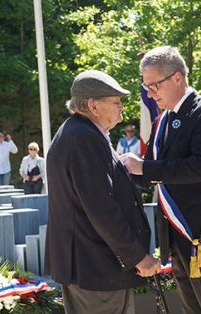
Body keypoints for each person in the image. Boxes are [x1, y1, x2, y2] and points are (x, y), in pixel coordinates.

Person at [121, 46, 201, 314]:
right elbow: (153, 175)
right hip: (178, 238)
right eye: (146, 87)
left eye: (154, 86)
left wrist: (144, 168)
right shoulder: (161, 121)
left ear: (177, 78)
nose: (150, 94)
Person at [45, 70, 159, 313]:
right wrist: (137, 257)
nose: (122, 107)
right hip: (96, 269)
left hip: (94, 268)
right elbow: (101, 209)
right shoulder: (83, 138)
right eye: (116, 101)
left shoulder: (80, 133)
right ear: (93, 106)